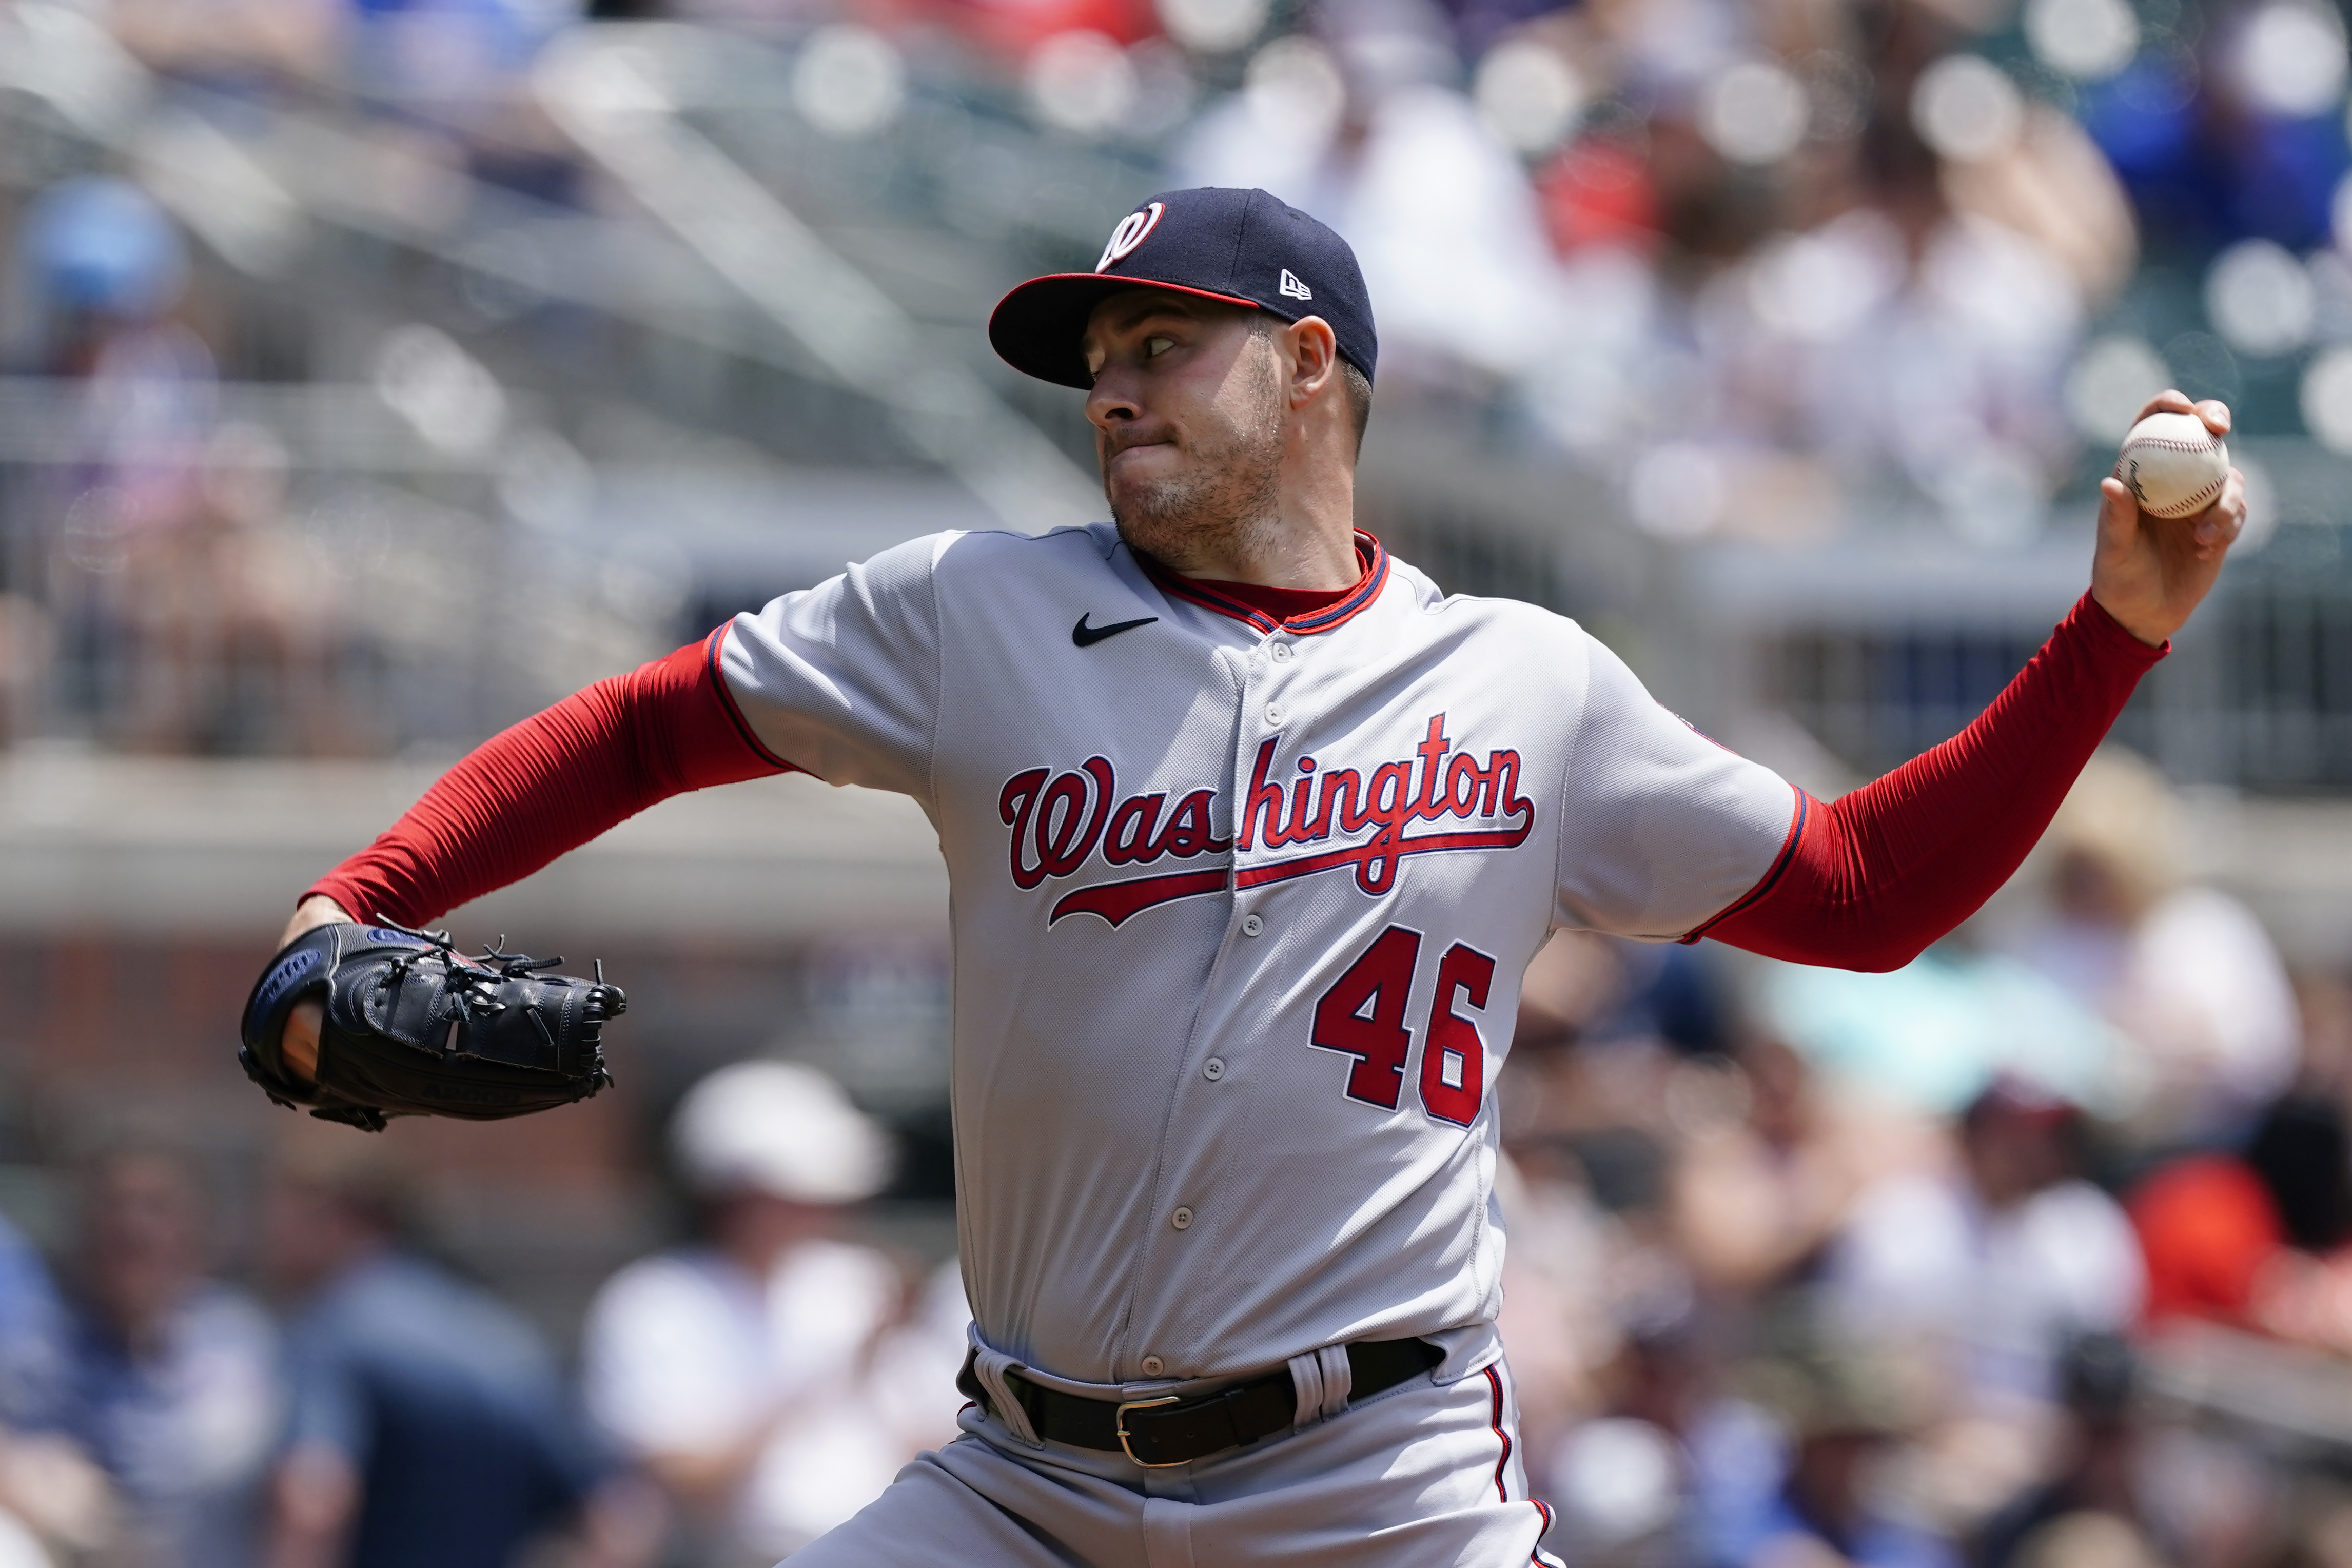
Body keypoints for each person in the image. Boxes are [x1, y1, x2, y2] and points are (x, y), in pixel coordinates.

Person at [262, 187, 2245, 1565]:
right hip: (1015, 1482)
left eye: (1158, 345)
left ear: (1308, 370)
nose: (1109, 387)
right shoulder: (977, 613)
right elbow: (646, 722)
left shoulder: (1521, 683)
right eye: (1097, 356)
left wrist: (2108, 637)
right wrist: (360, 898)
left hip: (1371, 1480)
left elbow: (1861, 890)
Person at [581, 1060, 966, 1565]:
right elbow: (684, 1476)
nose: (825, 1209)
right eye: (793, 1195)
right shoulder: (657, 1301)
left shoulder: (859, 1279)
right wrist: (834, 1365)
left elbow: (932, 1436)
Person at [257, 1138, 629, 1568]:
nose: (270, 1235)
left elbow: (314, 1501)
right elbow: (612, 1515)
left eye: (283, 1213)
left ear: (334, 1217)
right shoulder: (501, 1337)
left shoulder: (334, 1330)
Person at [62, 1146, 281, 1568]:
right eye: (115, 1206)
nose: (132, 1227)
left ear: (199, 1228)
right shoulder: (51, 1346)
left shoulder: (243, 1344)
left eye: (157, 1207)